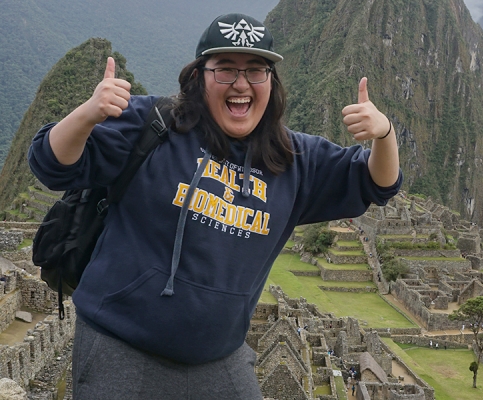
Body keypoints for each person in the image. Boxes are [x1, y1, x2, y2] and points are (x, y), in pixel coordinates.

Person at [28, 13, 401, 399]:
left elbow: (376, 183)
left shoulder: (295, 159)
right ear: (199, 76)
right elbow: (50, 163)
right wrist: (89, 113)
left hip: (219, 358)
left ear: (271, 82)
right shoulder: (153, 124)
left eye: (256, 71)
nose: (241, 84)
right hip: (121, 347)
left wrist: (384, 135)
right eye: (225, 70)